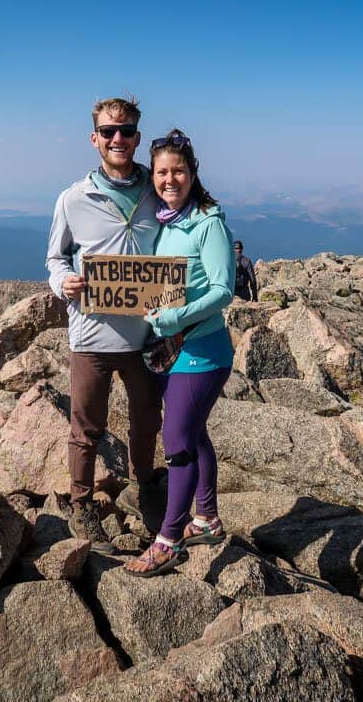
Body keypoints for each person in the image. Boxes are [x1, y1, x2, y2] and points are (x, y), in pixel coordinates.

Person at [46, 96, 164, 555]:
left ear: (137, 136)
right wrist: (63, 282)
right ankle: (80, 503)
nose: (119, 139)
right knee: (86, 426)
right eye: (109, 131)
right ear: (94, 138)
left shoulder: (156, 191)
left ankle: (143, 488)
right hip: (91, 334)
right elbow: (55, 256)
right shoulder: (74, 198)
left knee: (145, 421)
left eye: (127, 130)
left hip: (145, 336)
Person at [124, 129, 235, 577]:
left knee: (177, 444)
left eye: (178, 171)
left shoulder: (208, 223)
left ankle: (169, 539)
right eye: (162, 172)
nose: (170, 179)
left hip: (202, 350)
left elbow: (224, 290)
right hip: (176, 350)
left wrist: (175, 317)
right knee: (194, 433)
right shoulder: (169, 219)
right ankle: (206, 518)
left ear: (192, 173)